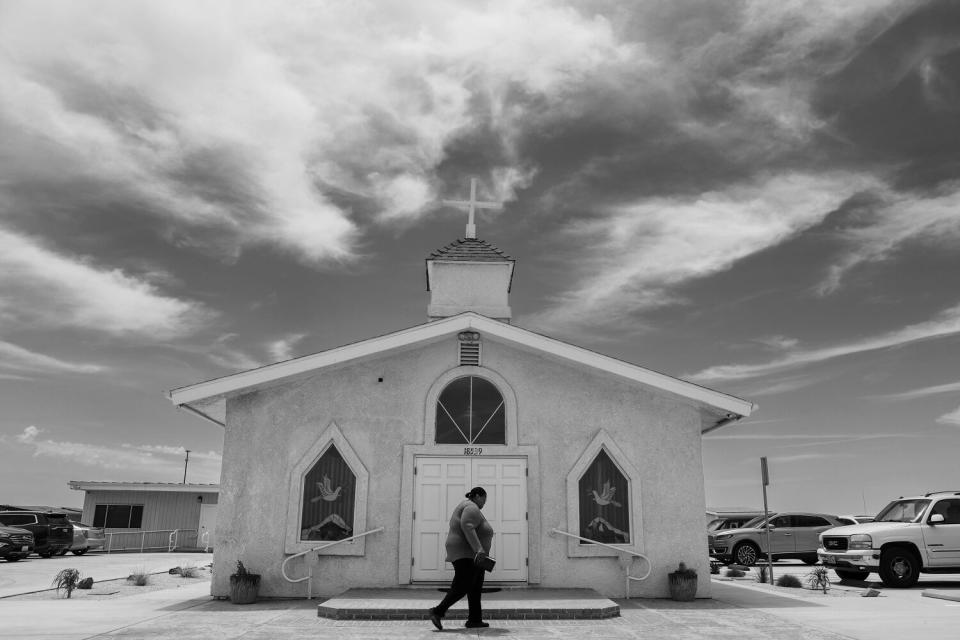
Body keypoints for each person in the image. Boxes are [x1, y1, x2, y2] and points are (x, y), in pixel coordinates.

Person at [428, 486, 494, 630]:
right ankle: (437, 611)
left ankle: (475, 620)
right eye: (484, 499)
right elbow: (467, 525)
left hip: (472, 555)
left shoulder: (469, 506)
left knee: (475, 587)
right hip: (466, 553)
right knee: (463, 585)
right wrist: (479, 549)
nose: (484, 503)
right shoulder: (471, 506)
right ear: (477, 496)